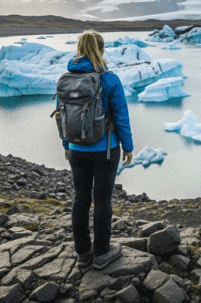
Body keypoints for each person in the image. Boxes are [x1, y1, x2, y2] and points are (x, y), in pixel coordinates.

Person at [61, 30, 133, 269]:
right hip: (105, 150)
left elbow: (63, 116)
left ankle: (83, 254)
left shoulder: (67, 78)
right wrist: (128, 146)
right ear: (101, 50)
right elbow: (121, 115)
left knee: (81, 198)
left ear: (79, 48)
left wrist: (66, 145)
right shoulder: (110, 79)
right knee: (102, 200)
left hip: (76, 149)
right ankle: (102, 253)